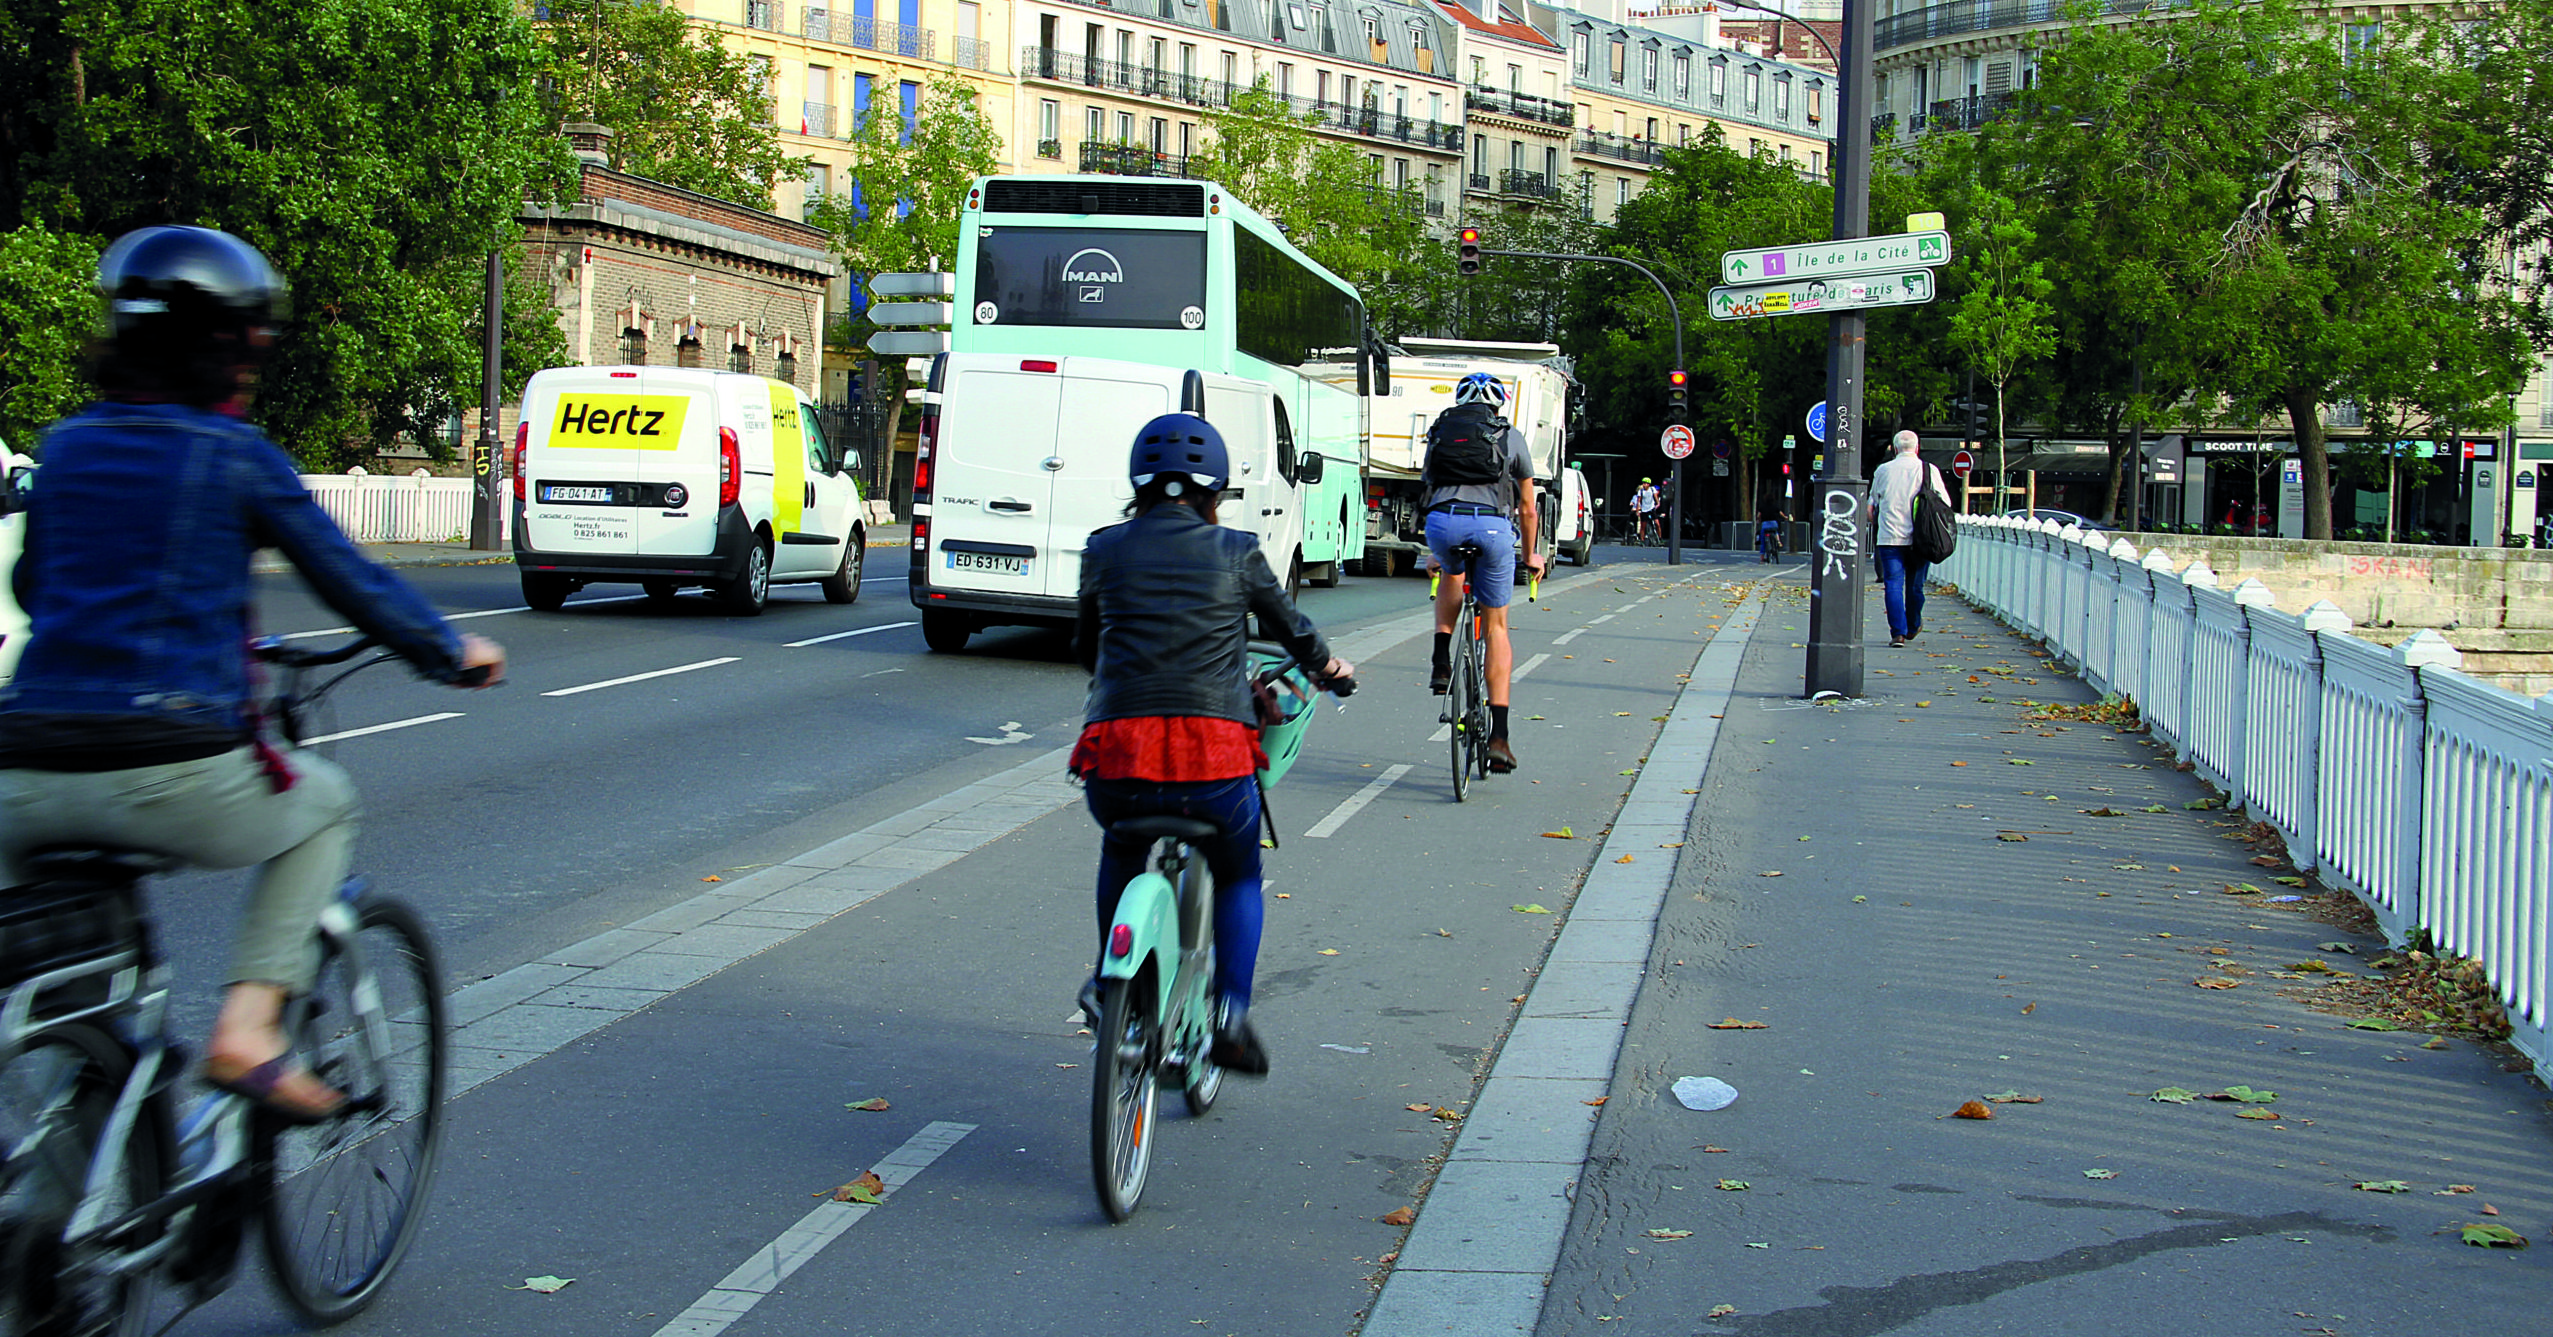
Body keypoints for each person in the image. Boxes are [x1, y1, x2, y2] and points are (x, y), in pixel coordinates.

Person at [0, 226, 506, 1122]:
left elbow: (36, 584)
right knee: (324, 806)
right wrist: (449, 649)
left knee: (51, 973)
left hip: (24, 767)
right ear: (232, 347)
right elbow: (349, 578)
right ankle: (247, 1028)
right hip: (169, 761)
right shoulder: (232, 454)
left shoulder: (67, 445)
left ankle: (61, 1143)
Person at [1073, 413, 1352, 1076]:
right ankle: (1229, 1013)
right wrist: (1330, 669)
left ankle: (1107, 978)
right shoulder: (1238, 552)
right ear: (1215, 491)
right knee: (1236, 869)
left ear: (1138, 485)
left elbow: (1087, 648)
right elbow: (1294, 632)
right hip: (1213, 759)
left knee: (1121, 840)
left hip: (1120, 754)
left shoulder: (1103, 547)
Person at [1421, 372, 1542, 773]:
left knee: (1451, 575)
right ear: (1498, 405)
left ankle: (1441, 658)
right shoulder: (1511, 436)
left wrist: (1435, 550)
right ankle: (1500, 738)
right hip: (1491, 528)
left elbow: (1429, 492)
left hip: (1441, 524)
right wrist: (1531, 556)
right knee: (1497, 629)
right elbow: (1527, 508)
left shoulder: (1439, 432)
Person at [1867, 429, 1953, 648]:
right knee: (1915, 586)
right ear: (1917, 448)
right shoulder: (1929, 470)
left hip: (1889, 538)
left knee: (1893, 585)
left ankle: (1898, 634)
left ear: (1894, 449)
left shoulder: (1883, 470)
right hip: (1920, 539)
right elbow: (1946, 504)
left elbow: (1871, 508)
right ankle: (1913, 625)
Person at [1629, 477, 1661, 544]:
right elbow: (1638, 501)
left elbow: (1656, 498)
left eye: (1646, 483)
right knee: (1643, 526)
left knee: (1657, 523)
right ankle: (1642, 540)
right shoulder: (1641, 491)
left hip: (1651, 508)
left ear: (1648, 484)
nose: (1644, 485)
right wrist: (1638, 511)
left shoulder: (1652, 489)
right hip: (1644, 510)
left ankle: (1660, 538)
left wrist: (1657, 504)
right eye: (1643, 483)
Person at [1756, 497, 1790, 562]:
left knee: (1763, 542)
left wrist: (1759, 520)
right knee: (1775, 531)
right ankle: (1778, 540)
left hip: (1765, 524)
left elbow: (1758, 516)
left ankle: (1762, 558)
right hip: (1773, 523)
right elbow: (1781, 513)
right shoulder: (1775, 506)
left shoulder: (1762, 507)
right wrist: (1785, 517)